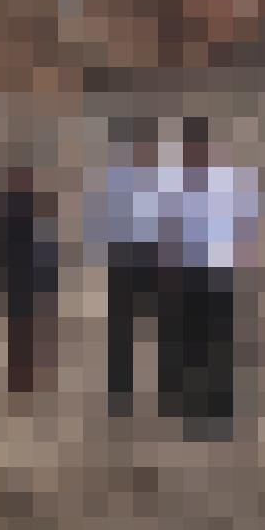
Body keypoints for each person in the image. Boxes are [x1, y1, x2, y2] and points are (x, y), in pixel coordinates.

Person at [160, 115, 259, 439]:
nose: (193, 152)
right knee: (179, 341)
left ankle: (215, 407)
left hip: (216, 273)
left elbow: (245, 226)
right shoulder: (172, 183)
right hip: (182, 273)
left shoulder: (226, 180)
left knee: (213, 342)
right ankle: (178, 404)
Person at [94, 119, 173, 417]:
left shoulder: (163, 179)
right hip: (127, 262)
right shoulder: (119, 178)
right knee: (123, 337)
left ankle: (151, 393)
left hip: (155, 260)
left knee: (164, 330)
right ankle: (120, 396)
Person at [0, 166, 60, 395]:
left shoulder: (40, 207)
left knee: (29, 330)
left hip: (28, 280)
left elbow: (48, 246)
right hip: (20, 280)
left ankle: (27, 379)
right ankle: (23, 380)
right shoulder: (5, 208)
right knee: (23, 330)